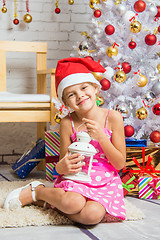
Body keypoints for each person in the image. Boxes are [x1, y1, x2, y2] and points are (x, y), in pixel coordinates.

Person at [3, 57, 126, 225]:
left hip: (105, 182)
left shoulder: (113, 118)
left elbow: (119, 164)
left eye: (84, 87)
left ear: (95, 88)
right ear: (66, 102)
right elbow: (63, 161)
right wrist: (61, 167)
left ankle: (45, 202)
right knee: (73, 203)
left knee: (92, 216)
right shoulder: (68, 122)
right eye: (71, 94)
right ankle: (38, 191)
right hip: (76, 178)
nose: (80, 95)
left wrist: (102, 138)